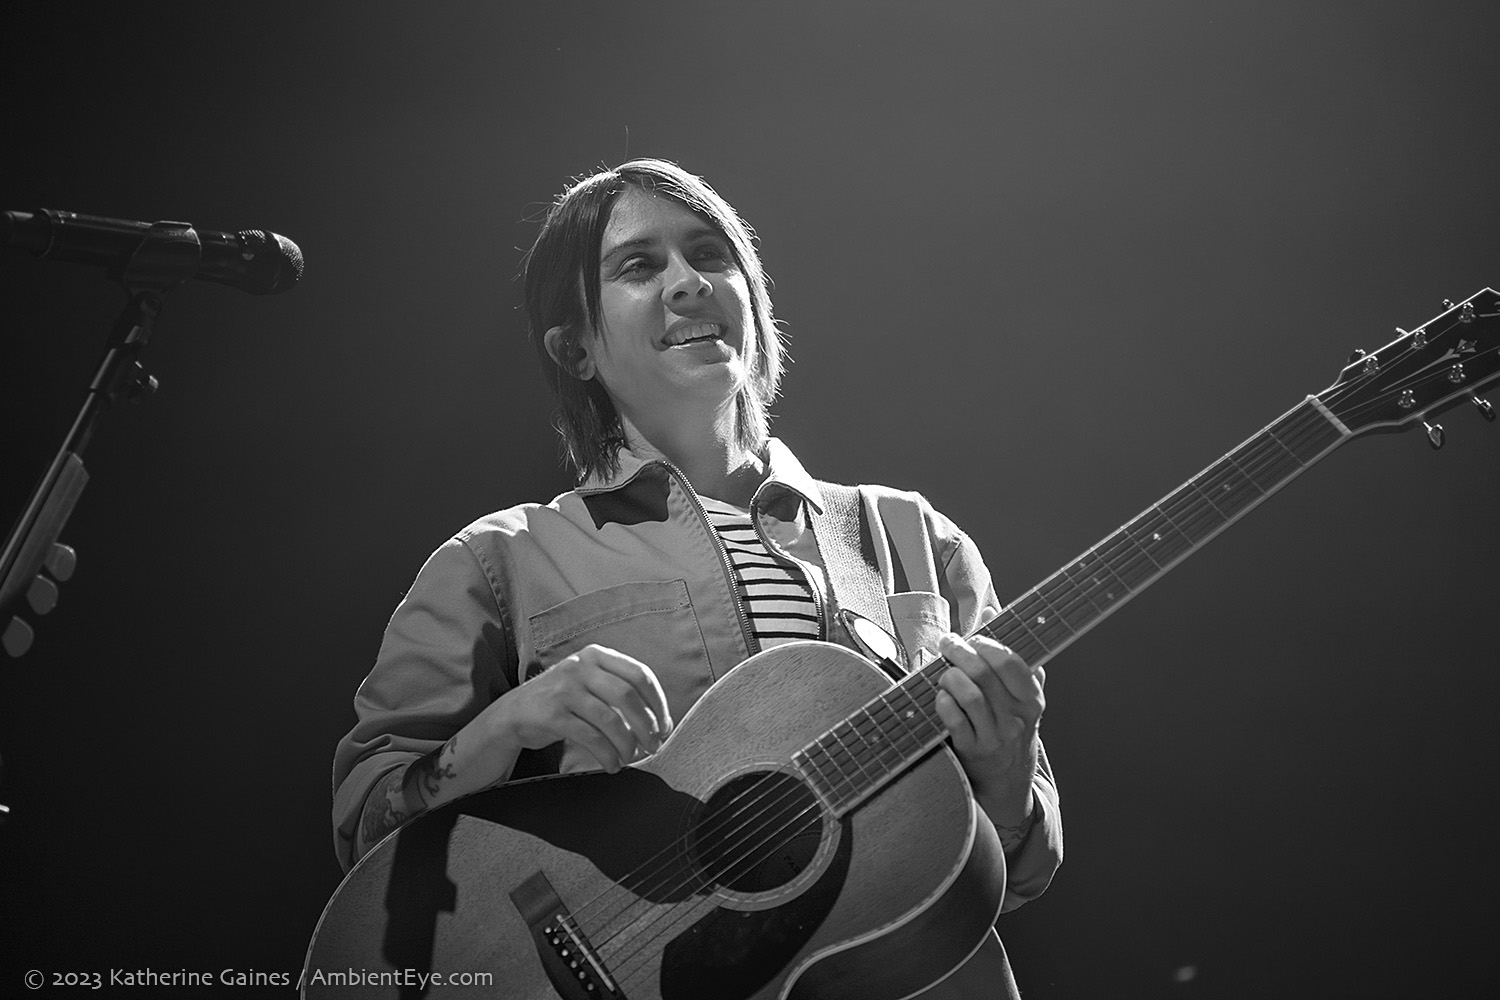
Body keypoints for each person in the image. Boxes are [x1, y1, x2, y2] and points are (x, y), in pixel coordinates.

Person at [331, 158, 1062, 997]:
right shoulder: (499, 560)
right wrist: (506, 726)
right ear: (573, 346)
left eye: (711, 256)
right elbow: (368, 830)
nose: (688, 283)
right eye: (638, 266)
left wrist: (1007, 776)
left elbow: (1024, 865)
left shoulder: (907, 534)